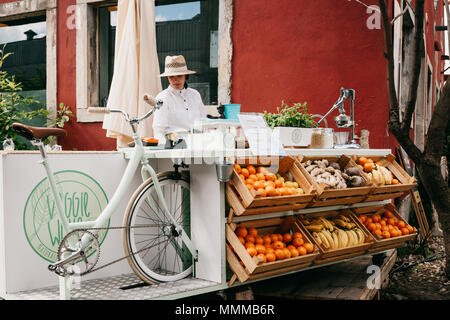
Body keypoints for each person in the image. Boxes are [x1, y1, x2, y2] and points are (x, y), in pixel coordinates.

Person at [152, 55, 207, 145]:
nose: (175, 80)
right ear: (167, 78)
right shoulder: (162, 98)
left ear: (186, 76)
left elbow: (204, 122)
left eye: (179, 76)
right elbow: (158, 130)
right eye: (171, 76)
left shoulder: (195, 95)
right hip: (174, 145)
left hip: (198, 143)